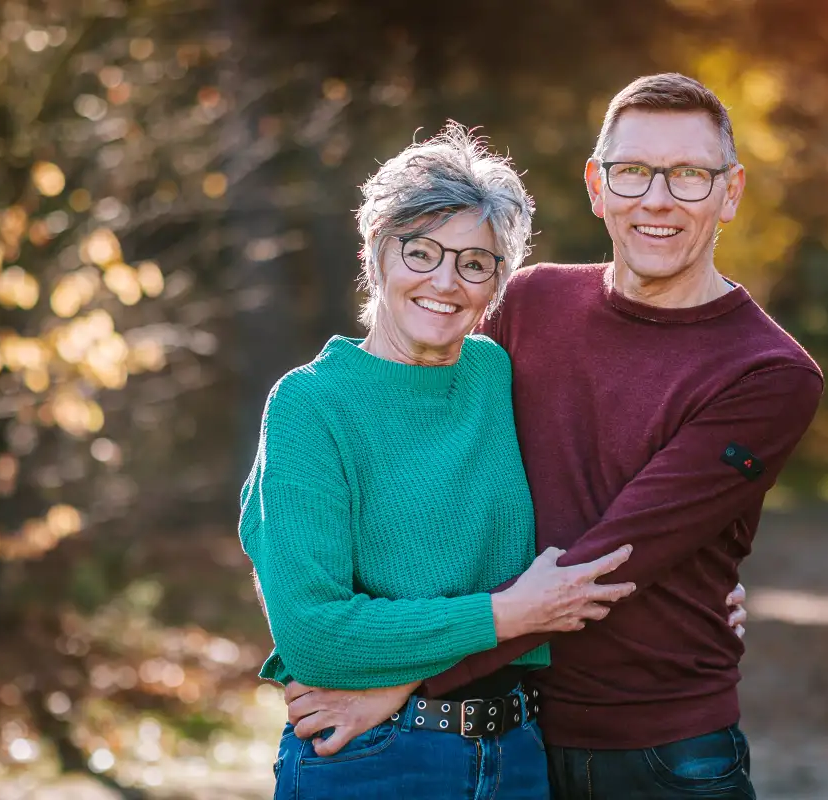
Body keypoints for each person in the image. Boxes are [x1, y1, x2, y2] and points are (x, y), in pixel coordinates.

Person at [286, 73, 823, 799]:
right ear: (597, 186)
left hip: (656, 746)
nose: (656, 199)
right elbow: (410, 438)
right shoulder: (530, 303)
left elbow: (617, 554)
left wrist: (404, 684)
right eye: (633, 172)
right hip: (518, 737)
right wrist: (301, 581)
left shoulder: (769, 372)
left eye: (690, 175)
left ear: (730, 192)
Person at [239, 123, 640, 800]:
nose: (446, 281)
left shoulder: (497, 376)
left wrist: (705, 591)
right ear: (375, 254)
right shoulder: (311, 405)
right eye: (420, 251)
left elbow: (593, 505)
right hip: (369, 761)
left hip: (519, 753)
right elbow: (314, 636)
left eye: (475, 263)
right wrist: (510, 613)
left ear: (498, 282)